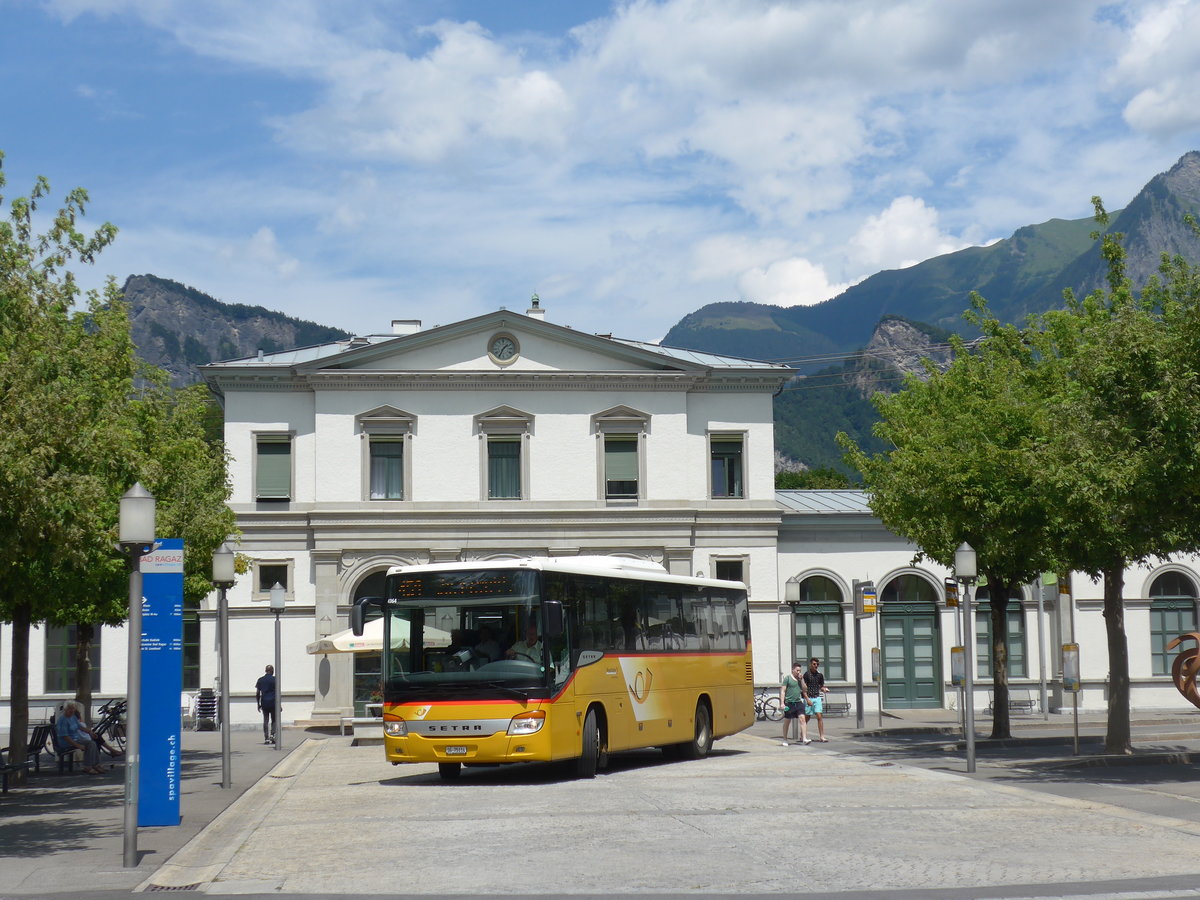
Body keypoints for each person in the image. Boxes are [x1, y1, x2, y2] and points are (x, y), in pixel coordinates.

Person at [56, 701, 104, 774]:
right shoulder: (63, 720)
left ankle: (96, 765)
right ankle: (88, 767)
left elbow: (79, 726)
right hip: (66, 742)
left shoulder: (73, 717)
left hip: (75, 739)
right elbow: (65, 736)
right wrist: (78, 745)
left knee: (93, 742)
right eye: (69, 709)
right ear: (65, 709)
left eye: (73, 708)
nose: (72, 710)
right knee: (90, 744)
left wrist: (90, 732)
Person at [779, 661, 809, 745]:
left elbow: (805, 689)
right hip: (789, 703)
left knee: (802, 719)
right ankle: (785, 739)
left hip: (798, 702)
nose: (798, 672)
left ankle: (804, 738)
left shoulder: (800, 680)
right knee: (787, 721)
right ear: (793, 670)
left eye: (800, 670)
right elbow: (783, 691)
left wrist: (802, 680)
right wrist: (782, 703)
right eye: (797, 670)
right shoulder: (787, 678)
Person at [802, 657, 830, 742]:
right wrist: (807, 699)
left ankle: (822, 736)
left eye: (817, 664)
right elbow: (804, 689)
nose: (816, 666)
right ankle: (803, 735)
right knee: (807, 717)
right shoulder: (806, 675)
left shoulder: (820, 675)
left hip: (817, 697)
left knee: (819, 716)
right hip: (809, 697)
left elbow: (821, 686)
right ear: (810, 664)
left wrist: (824, 689)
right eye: (814, 664)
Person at [255, 664, 277, 745]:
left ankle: (266, 738)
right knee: (274, 720)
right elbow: (278, 693)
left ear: (265, 671)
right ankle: (273, 735)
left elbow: (257, 693)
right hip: (273, 702)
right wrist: (280, 705)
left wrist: (258, 704)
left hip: (264, 702)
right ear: (272, 671)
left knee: (265, 720)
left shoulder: (260, 680)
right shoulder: (275, 679)